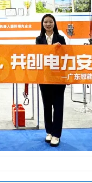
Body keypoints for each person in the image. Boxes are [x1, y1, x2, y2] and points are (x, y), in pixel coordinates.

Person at [35, 14, 66, 147]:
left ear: (54, 23)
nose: (48, 24)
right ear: (42, 24)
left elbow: (66, 57)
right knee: (47, 106)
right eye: (45, 22)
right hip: (45, 78)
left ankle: (56, 134)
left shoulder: (61, 38)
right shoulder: (39, 39)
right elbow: (38, 56)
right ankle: (49, 131)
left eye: (50, 22)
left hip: (59, 78)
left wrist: (60, 48)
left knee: (58, 107)